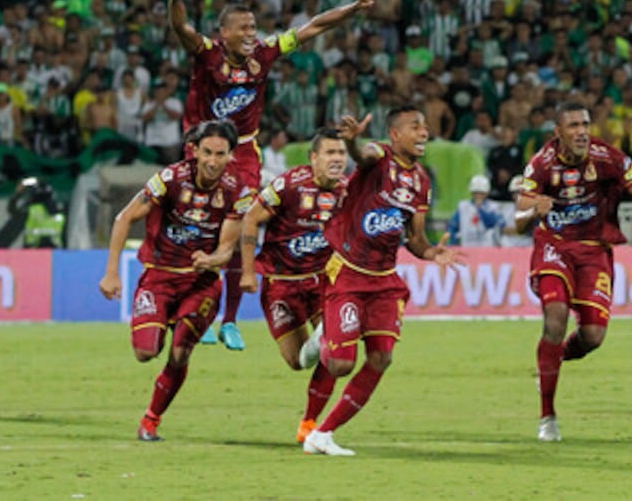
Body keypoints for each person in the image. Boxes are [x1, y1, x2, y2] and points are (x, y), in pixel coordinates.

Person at [166, 0, 374, 351]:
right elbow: (180, 26)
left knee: (240, 221)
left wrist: (355, 8)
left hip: (243, 151)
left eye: (254, 27)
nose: (251, 33)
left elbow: (313, 27)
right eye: (243, 28)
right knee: (204, 226)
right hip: (202, 150)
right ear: (224, 32)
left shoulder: (264, 53)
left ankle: (229, 320)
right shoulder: (207, 53)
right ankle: (195, 309)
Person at [514, 100, 632, 442]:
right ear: (558, 133)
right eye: (572, 126)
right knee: (555, 317)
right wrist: (532, 212)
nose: (581, 131)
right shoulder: (541, 164)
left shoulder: (608, 158)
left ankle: (551, 361)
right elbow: (518, 218)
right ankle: (548, 416)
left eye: (585, 124)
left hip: (594, 253)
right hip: (554, 247)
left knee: (593, 338)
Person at [302, 107, 457, 456]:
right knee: (341, 363)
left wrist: (433, 253)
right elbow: (361, 154)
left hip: (385, 280)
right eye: (416, 127)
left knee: (381, 358)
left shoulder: (422, 180)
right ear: (395, 135)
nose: (424, 133)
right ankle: (325, 335)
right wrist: (353, 140)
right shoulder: (378, 157)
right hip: (348, 272)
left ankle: (323, 434)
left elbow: (415, 239)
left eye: (425, 127)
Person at [97, 120, 249, 442]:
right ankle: (167, 320)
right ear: (195, 150)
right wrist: (111, 272)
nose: (212, 161)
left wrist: (213, 260)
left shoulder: (236, 191)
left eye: (220, 154)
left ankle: (151, 420)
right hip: (159, 277)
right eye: (206, 152)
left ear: (230, 156)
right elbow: (124, 218)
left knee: (180, 353)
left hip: (201, 282)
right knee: (145, 352)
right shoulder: (170, 179)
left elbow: (227, 248)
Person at [200, 127, 349, 444]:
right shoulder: (290, 184)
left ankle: (310, 423)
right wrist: (249, 272)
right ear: (314, 158)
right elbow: (251, 218)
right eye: (330, 153)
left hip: (322, 282)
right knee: (298, 361)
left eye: (342, 153)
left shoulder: (347, 191)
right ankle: (326, 336)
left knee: (334, 356)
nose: (337, 159)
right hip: (281, 285)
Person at [446, 174, 506, 246]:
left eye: (481, 193)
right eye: (476, 193)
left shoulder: (494, 207)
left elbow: (495, 224)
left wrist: (480, 209)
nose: (478, 196)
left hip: (488, 249)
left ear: (487, 192)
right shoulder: (463, 206)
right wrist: (454, 242)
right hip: (468, 247)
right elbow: (452, 226)